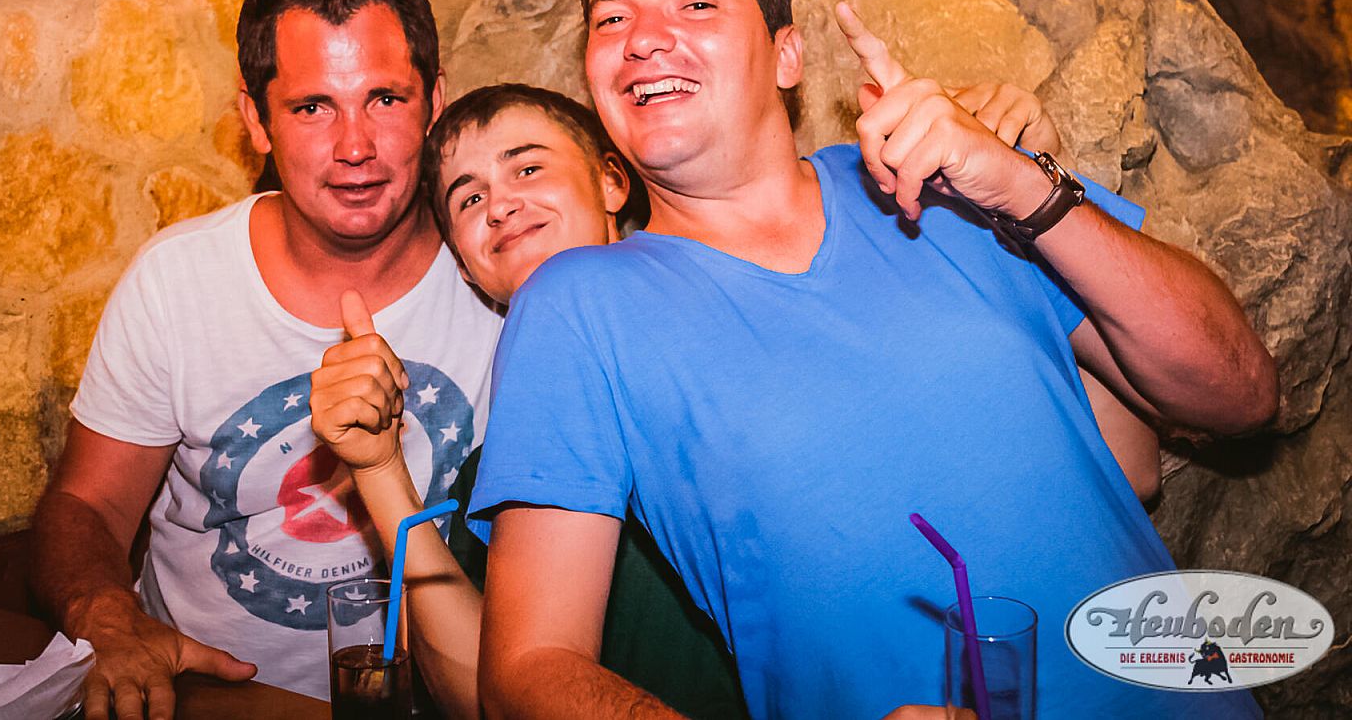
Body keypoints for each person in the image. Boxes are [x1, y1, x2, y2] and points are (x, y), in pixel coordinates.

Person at [467, 0, 1276, 719]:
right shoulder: (580, 306)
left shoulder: (951, 181)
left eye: (694, 2)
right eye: (611, 18)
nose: (642, 39)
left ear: (787, 54)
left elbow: (1242, 393)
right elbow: (529, 667)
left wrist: (1020, 184)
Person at [312, 80, 1162, 720]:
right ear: (467, 266)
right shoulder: (500, 465)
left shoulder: (755, 339)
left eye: (527, 167)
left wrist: (1038, 200)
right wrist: (381, 471)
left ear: (612, 182)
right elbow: (491, 686)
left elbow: (1128, 469)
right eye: (467, 199)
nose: (500, 204)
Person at [30, 0, 502, 718]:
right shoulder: (177, 281)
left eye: (385, 98)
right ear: (256, 119)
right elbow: (86, 505)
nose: (355, 145)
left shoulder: (499, 277)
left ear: (435, 102)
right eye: (313, 107)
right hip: (217, 703)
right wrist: (107, 617)